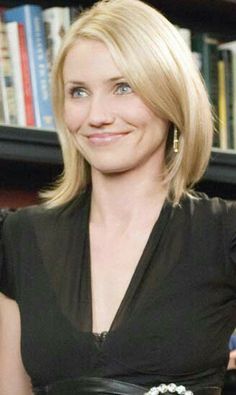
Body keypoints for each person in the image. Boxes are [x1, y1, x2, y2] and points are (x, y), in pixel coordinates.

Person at [0, 0, 235, 394]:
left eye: (122, 87)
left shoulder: (224, 232)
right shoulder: (18, 236)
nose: (96, 115)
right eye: (78, 92)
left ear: (170, 97)